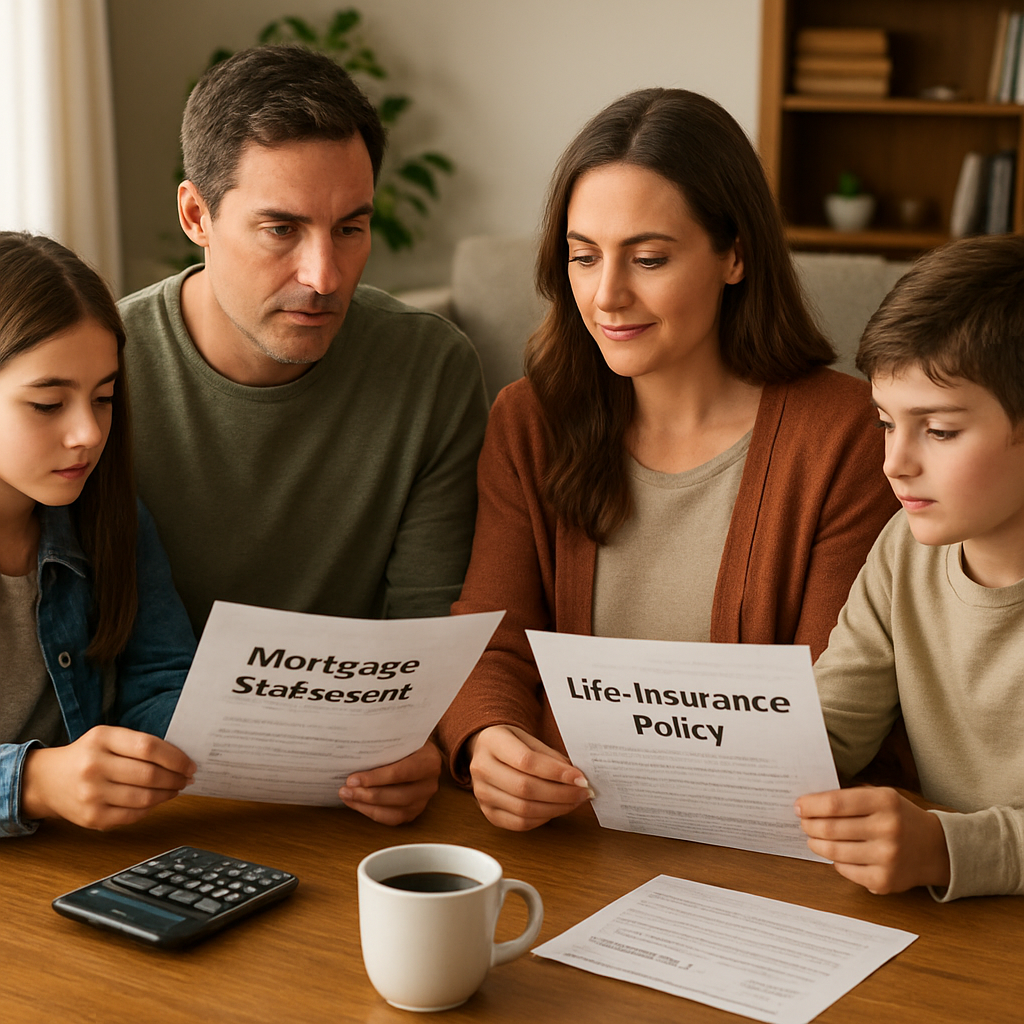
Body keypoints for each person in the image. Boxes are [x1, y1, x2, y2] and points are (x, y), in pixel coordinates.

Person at [436, 88, 899, 831]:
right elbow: (493, 637)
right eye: (584, 257)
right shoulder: (528, 420)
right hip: (567, 836)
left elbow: (828, 709)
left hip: (755, 845)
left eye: (648, 258)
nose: (607, 296)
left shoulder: (843, 432)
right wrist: (490, 741)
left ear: (735, 255)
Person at [118, 46, 488, 825]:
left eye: (350, 228)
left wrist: (415, 747)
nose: (324, 275)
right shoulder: (98, 376)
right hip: (150, 796)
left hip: (353, 797)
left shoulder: (431, 368)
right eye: (280, 229)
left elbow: (423, 638)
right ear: (196, 216)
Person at [796, 235, 1024, 901]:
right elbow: (829, 730)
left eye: (941, 430)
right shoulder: (905, 546)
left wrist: (948, 849)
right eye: (886, 423)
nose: (896, 462)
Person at [0, 232, 196, 838]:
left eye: (104, 397)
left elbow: (162, 682)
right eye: (48, 403)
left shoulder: (113, 517)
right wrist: (34, 782)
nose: (88, 432)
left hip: (90, 863)